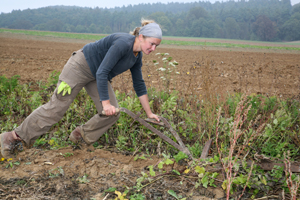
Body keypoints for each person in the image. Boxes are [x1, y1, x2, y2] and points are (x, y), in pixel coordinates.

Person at [0, 19, 162, 158]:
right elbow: (103, 71)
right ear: (141, 37)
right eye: (152, 44)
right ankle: (13, 137)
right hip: (79, 67)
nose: (153, 49)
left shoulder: (136, 56)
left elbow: (139, 84)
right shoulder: (123, 43)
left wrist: (149, 113)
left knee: (113, 113)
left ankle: (80, 137)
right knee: (57, 108)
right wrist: (105, 104)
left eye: (156, 46)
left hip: (98, 75)